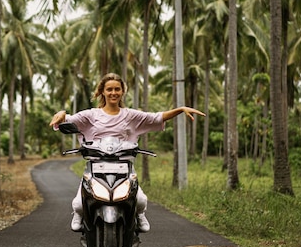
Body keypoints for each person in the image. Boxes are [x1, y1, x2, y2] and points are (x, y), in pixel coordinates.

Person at [49, 72, 205, 232]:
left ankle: (139, 215)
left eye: (117, 89)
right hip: (96, 165)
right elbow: (68, 119)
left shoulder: (130, 115)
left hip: (123, 165)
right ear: (102, 91)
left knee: (141, 200)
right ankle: (78, 214)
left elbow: (156, 117)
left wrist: (180, 109)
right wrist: (61, 114)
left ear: (123, 91)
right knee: (78, 203)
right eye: (109, 89)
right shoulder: (91, 114)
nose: (113, 93)